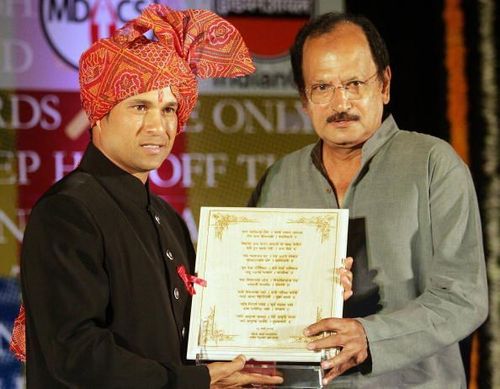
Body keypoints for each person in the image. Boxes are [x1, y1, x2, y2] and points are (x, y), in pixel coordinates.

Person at [12, 5, 287, 388]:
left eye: (169, 108)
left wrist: (309, 293)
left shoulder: (166, 217)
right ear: (99, 113)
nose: (158, 126)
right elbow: (77, 353)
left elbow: (198, 335)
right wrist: (192, 382)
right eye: (139, 106)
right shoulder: (68, 212)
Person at [248, 12, 488, 388]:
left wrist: (370, 335)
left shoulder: (431, 164)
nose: (340, 102)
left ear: (385, 85)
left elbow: (463, 298)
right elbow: (252, 293)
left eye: (354, 83)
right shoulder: (279, 180)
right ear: (304, 99)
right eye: (322, 88)